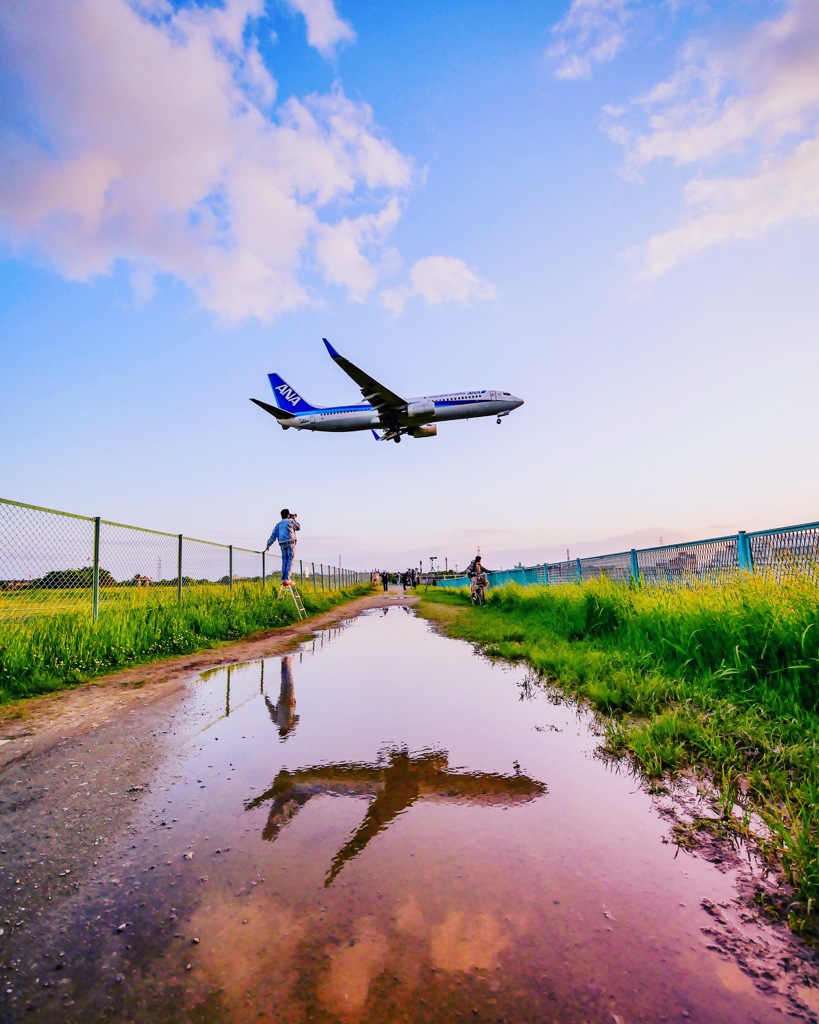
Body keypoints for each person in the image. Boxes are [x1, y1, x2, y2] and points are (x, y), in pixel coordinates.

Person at [264, 508, 300, 585]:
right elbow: (298, 527)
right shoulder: (290, 521)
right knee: (290, 560)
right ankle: (287, 579)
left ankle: (284, 579)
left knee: (284, 561)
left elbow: (273, 536)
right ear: (288, 515)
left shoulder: (278, 524)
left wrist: (268, 545)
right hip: (290, 543)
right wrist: (294, 519)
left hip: (282, 544)